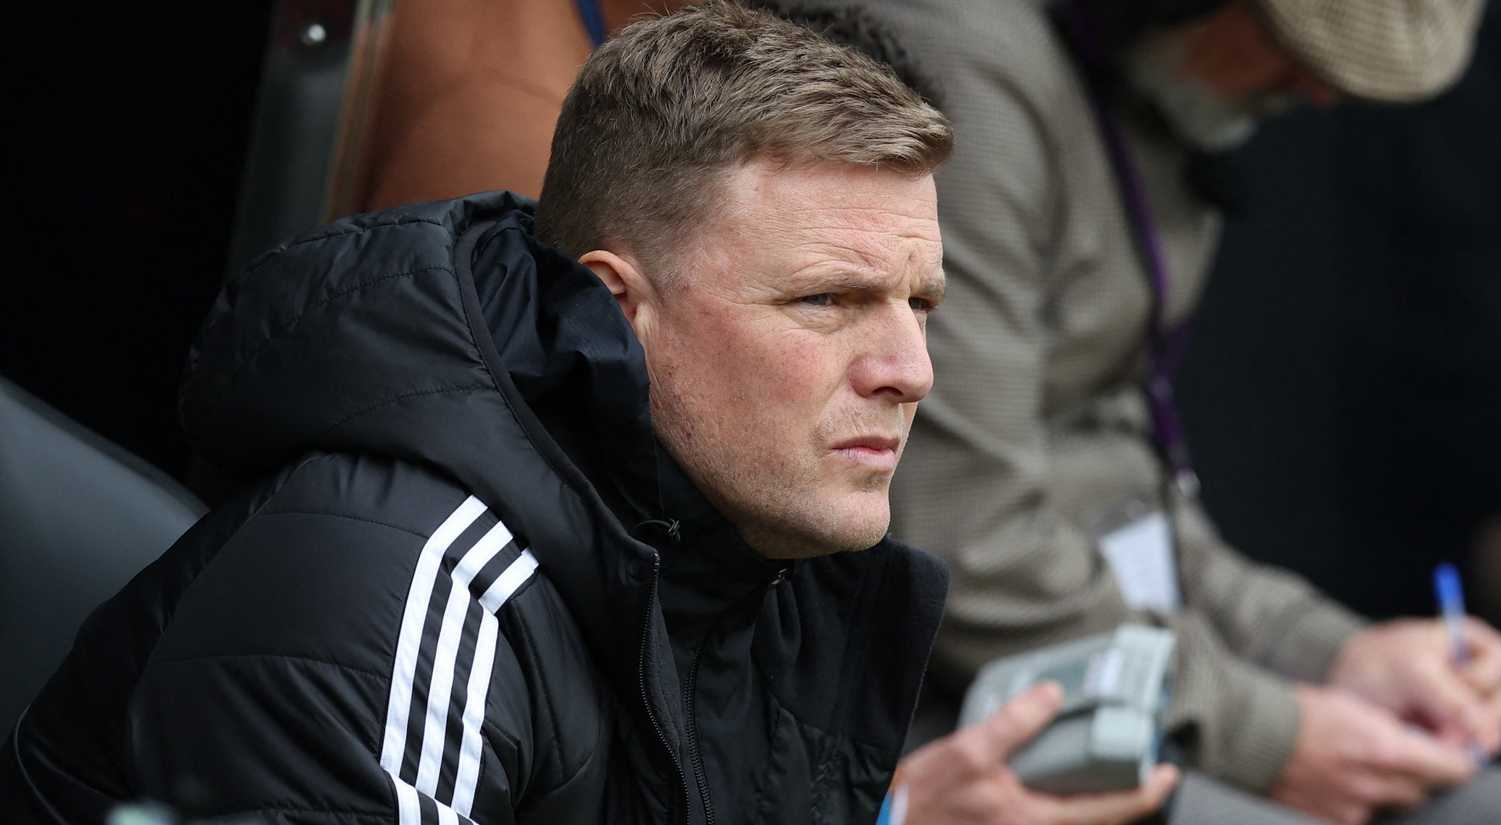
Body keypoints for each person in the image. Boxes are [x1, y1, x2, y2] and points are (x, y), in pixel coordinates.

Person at [2, 3, 966, 823]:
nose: (908, 369)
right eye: (826, 301)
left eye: (918, 304)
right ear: (619, 312)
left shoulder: (767, 563)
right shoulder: (398, 600)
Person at [835, 0, 1501, 824]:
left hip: (1118, 672)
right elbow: (971, 538)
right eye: (1294, 46)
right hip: (953, 711)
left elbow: (1128, 489)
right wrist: (1270, 732)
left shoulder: (1147, 87)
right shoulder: (975, 68)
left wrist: (1336, 655)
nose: (1319, 94)